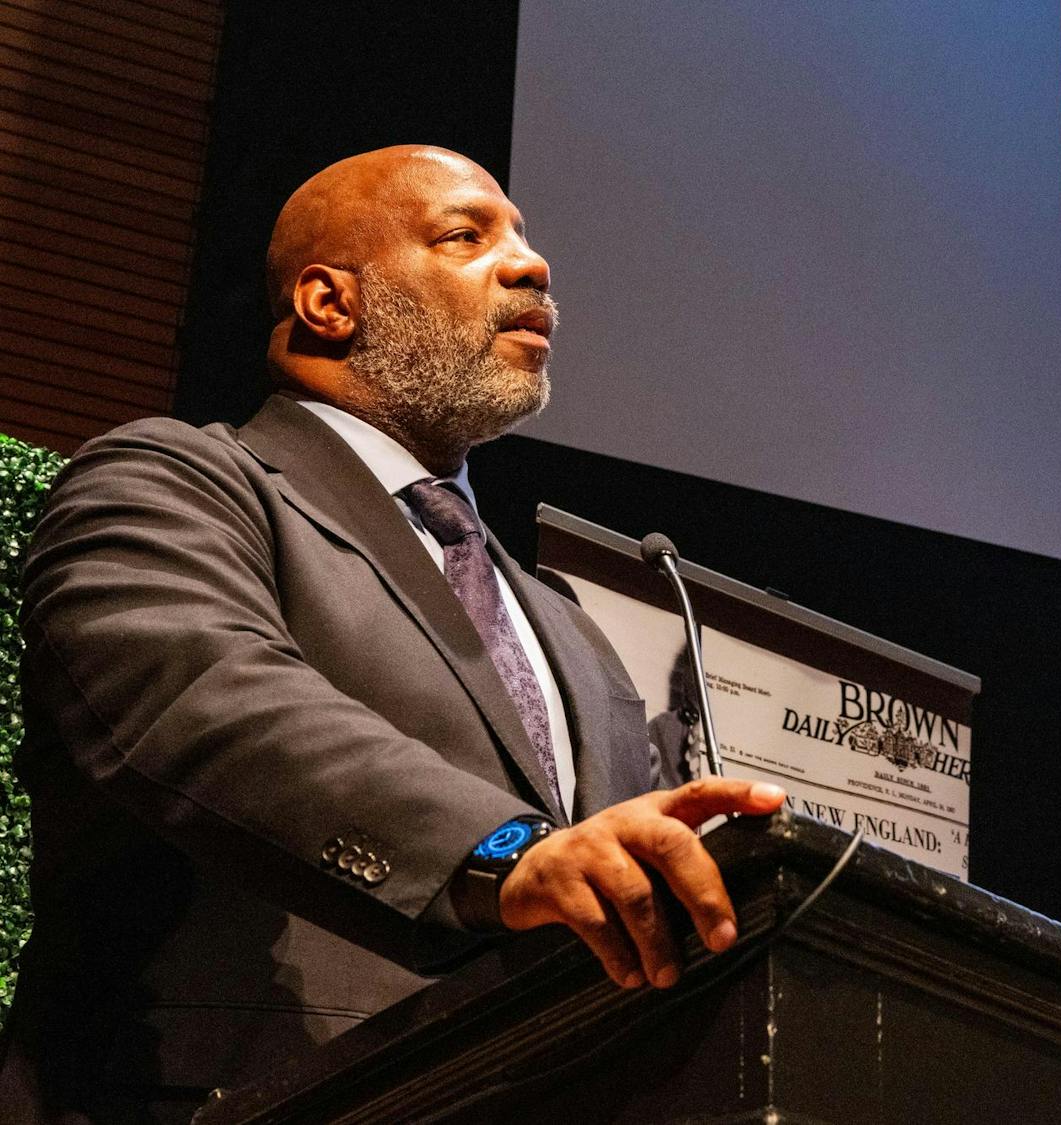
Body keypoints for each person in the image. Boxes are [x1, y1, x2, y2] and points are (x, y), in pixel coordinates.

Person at [0, 145, 784, 1123]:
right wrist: (505, 851)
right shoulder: (176, 483)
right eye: (466, 236)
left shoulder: (567, 630)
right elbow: (200, 700)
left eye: (526, 239)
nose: (533, 266)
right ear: (331, 303)